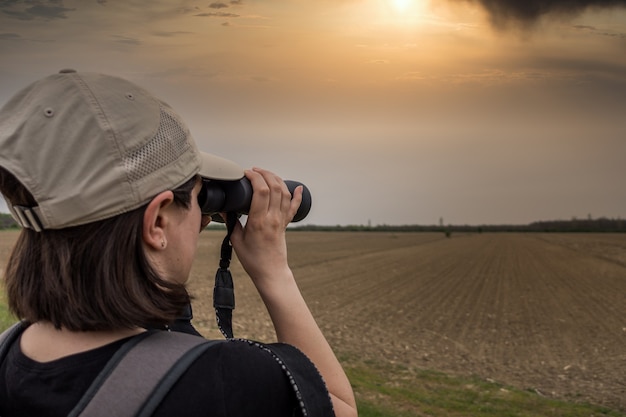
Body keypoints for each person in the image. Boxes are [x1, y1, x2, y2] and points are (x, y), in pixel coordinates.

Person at [0, 69, 357, 417]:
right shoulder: (221, 381)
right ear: (156, 221)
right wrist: (273, 271)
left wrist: (173, 232)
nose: (202, 218)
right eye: (199, 198)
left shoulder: (9, 354)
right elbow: (338, 405)